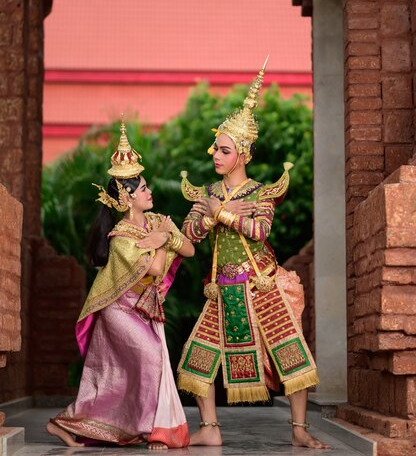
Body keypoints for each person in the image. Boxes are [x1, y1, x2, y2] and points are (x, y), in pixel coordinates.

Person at [177, 60, 330, 450]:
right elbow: (188, 235)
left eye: (224, 150)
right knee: (197, 357)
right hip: (223, 288)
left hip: (260, 283)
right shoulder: (206, 193)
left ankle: (299, 430)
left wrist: (221, 214)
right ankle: (210, 428)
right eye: (216, 147)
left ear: (242, 153)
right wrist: (214, 216)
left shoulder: (262, 193)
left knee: (290, 352)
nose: (216, 154)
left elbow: (260, 230)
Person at [46, 120, 194, 451]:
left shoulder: (155, 222)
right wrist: (160, 239)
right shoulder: (121, 239)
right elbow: (156, 266)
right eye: (143, 188)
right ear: (127, 198)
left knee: (117, 380)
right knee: (149, 357)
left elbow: (189, 248)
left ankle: (68, 423)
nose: (149, 191)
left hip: (143, 309)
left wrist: (164, 235)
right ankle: (149, 430)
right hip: (118, 310)